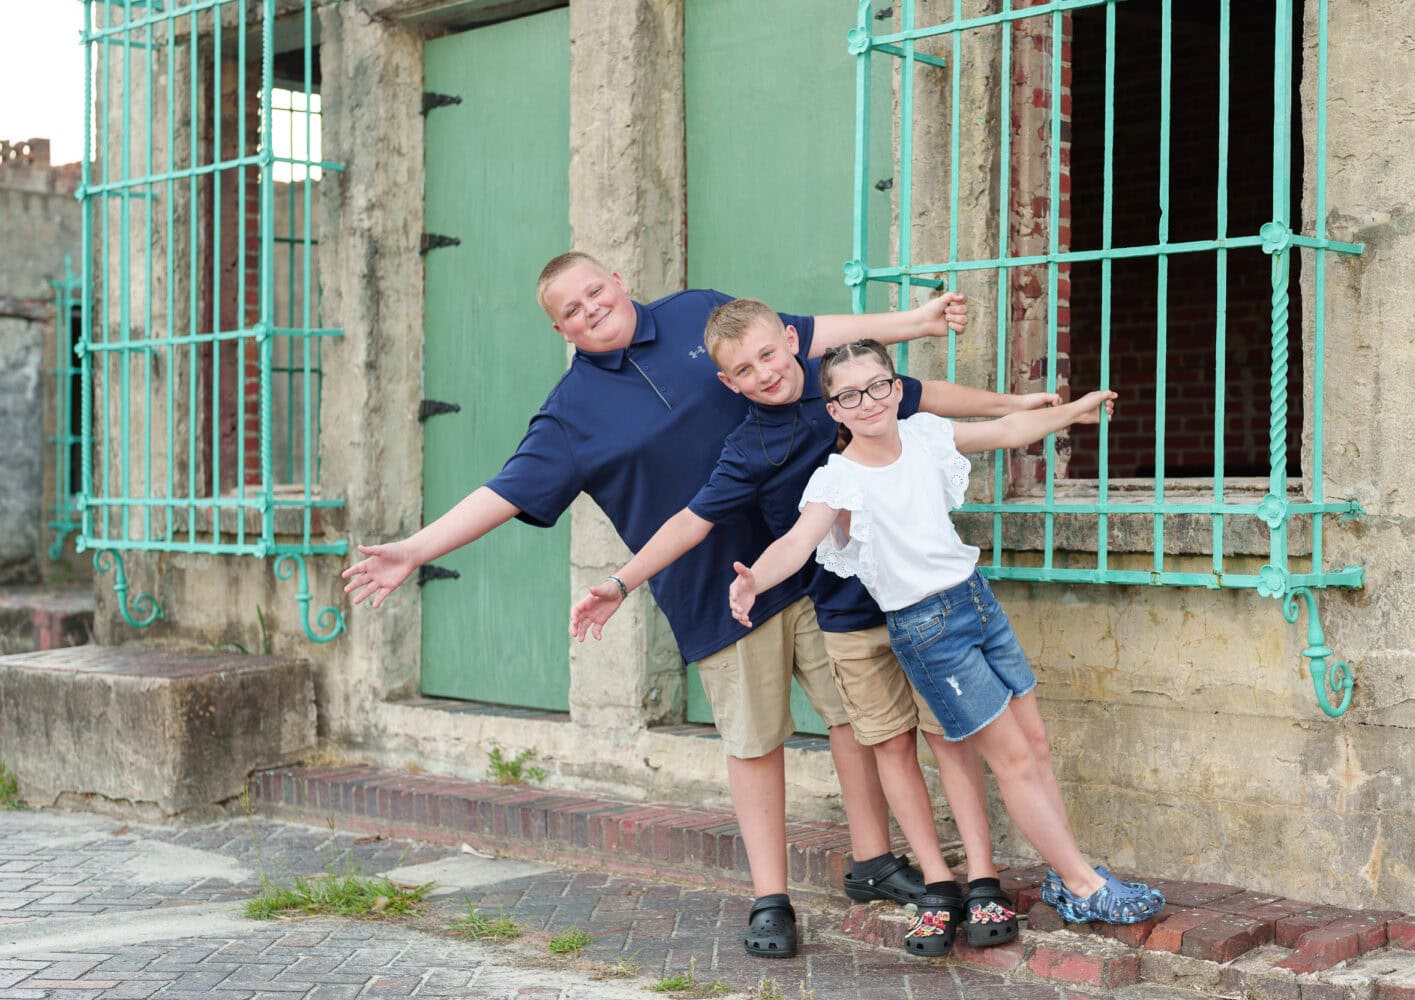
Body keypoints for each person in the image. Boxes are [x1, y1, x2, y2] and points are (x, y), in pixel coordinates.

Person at [341, 253, 967, 960]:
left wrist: (912, 322)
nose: (590, 309)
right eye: (571, 310)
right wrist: (416, 550)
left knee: (859, 719)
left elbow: (805, 333)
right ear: (560, 329)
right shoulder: (571, 414)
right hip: (712, 593)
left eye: (594, 291)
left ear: (616, 277)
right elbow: (507, 488)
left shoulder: (697, 312)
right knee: (754, 743)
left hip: (814, 556)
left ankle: (874, 861)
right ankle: (770, 898)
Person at [570, 298, 1059, 956]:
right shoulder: (749, 447)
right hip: (850, 621)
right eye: (745, 368)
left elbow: (928, 397)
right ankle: (939, 886)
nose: (766, 372)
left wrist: (1012, 404)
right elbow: (693, 520)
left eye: (771, 354)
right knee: (889, 746)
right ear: (729, 383)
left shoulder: (848, 386)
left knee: (950, 741)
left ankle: (983, 879)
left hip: (926, 605)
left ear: (791, 343)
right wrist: (622, 581)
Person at [726, 339, 1166, 950]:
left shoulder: (927, 435)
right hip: (928, 631)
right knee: (1010, 758)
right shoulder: (838, 479)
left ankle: (1071, 878)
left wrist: (1074, 409)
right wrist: (755, 580)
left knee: (1034, 746)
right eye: (849, 394)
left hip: (976, 601)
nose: (869, 401)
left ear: (895, 387)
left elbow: (1012, 429)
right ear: (833, 409)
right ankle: (1083, 883)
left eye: (879, 385)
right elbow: (798, 543)